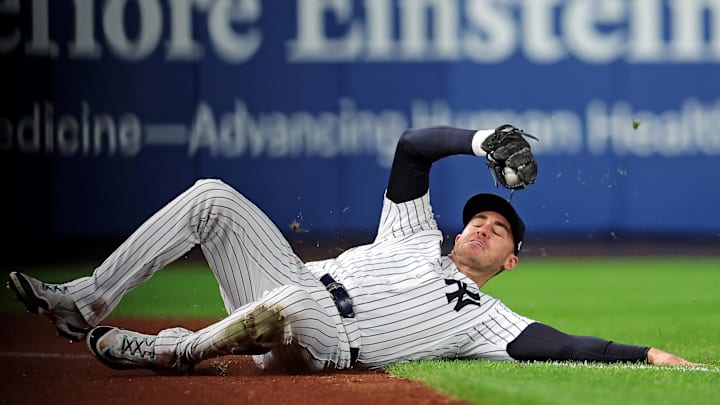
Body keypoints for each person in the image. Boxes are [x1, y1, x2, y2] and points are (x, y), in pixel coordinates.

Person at [7, 125, 696, 373]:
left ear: (510, 261)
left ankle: (169, 352)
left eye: (500, 229)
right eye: (478, 217)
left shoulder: (486, 320)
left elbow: (566, 344)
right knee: (212, 194)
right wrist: (483, 138)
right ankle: (87, 299)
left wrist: (646, 354)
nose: (484, 225)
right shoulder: (412, 231)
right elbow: (412, 149)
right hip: (283, 290)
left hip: (325, 336)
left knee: (292, 300)